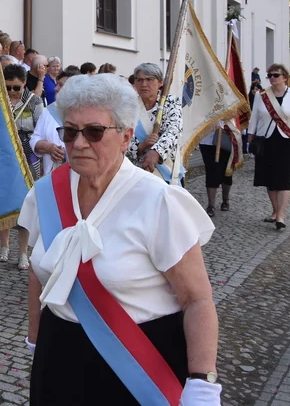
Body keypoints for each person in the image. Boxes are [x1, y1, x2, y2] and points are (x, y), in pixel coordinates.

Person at [20, 74, 221, 405]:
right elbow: (38, 274)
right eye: (70, 132)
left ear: (126, 136)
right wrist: (36, 339)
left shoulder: (158, 201)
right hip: (59, 356)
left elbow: (196, 299)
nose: (79, 143)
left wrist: (203, 382)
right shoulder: (44, 195)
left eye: (94, 132)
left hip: (137, 363)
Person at [248, 64, 290, 230]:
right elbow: (254, 119)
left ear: (284, 77)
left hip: (287, 141)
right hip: (266, 141)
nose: (272, 78)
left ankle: (281, 216)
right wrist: (249, 143)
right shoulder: (261, 96)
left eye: (275, 75)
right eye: (269, 75)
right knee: (269, 179)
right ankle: (275, 210)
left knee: (283, 179)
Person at [0, 64, 39, 269]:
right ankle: (4, 247)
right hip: (4, 157)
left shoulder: (34, 102)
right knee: (4, 203)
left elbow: (41, 129)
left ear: (24, 83)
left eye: (16, 87)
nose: (12, 92)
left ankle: (23, 253)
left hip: (27, 157)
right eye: (8, 87)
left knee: (26, 205)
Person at [128, 63, 182, 182]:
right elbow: (121, 135)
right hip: (136, 171)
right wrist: (141, 146)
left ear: (160, 83)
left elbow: (174, 130)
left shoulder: (171, 102)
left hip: (165, 168)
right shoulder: (129, 107)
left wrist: (156, 151)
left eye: (150, 79)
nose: (144, 84)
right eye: (139, 80)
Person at [31, 69, 80, 176]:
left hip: (79, 174)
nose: (55, 88)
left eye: (61, 85)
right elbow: (34, 139)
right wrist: (49, 147)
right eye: (57, 84)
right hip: (52, 175)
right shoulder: (48, 111)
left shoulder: (86, 113)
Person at [198, 123, 235, 217]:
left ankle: (225, 200)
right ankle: (211, 205)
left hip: (226, 137)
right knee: (211, 171)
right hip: (206, 140)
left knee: (226, 172)